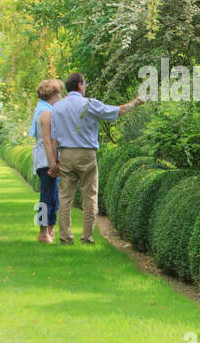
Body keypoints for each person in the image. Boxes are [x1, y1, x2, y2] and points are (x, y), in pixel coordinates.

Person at [46, 73, 144, 245]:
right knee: (89, 196)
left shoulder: (57, 108)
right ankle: (87, 237)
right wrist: (136, 102)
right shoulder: (89, 104)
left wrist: (54, 161)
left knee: (65, 198)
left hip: (66, 154)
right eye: (84, 84)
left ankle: (65, 237)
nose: (85, 88)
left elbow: (54, 137)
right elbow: (117, 111)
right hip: (86, 154)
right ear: (79, 86)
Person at [31, 78, 63, 243]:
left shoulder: (45, 111)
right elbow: (48, 140)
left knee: (53, 196)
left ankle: (50, 229)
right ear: (55, 95)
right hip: (45, 159)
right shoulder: (46, 114)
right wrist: (53, 163)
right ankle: (43, 232)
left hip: (47, 158)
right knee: (46, 197)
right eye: (60, 94)